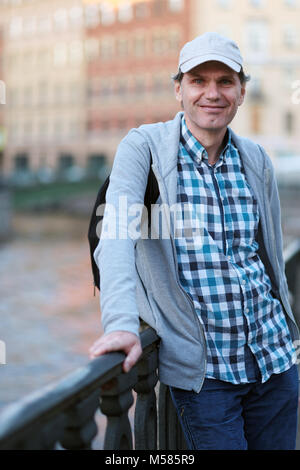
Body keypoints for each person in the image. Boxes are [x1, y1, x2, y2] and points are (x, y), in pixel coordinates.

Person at [89, 32, 299, 450]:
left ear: (241, 91)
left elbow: (271, 256)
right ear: (179, 89)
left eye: (225, 81)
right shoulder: (144, 149)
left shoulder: (256, 159)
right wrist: (121, 325)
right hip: (206, 378)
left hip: (275, 363)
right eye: (199, 80)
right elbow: (114, 236)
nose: (212, 93)